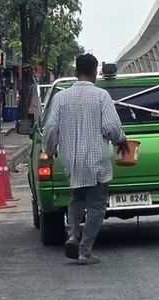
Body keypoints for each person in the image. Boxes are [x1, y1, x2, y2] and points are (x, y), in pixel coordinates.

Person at [43, 53, 128, 266]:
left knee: (77, 198)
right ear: (95, 72)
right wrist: (121, 140)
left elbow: (51, 128)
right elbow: (111, 127)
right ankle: (85, 251)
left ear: (75, 72)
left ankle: (72, 234)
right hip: (96, 160)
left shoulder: (60, 98)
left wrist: (50, 150)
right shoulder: (101, 96)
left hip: (71, 160)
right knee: (97, 206)